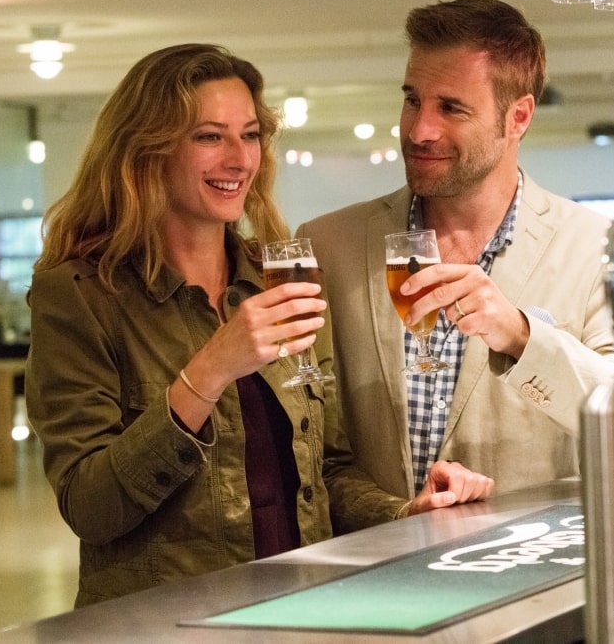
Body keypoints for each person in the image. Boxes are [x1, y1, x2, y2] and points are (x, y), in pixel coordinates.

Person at [25, 44, 492, 607]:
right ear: (148, 150)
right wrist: (210, 370)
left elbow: (329, 472)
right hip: (168, 622)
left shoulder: (278, 279)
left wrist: (405, 511)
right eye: (208, 136)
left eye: (249, 135)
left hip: (300, 609)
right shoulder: (82, 295)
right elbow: (90, 506)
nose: (239, 159)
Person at [297, 0, 614, 500]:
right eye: (413, 99)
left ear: (518, 117)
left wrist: (525, 337)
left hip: (536, 570)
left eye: (450, 107)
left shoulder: (598, 246)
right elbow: (313, 449)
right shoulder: (329, 245)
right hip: (378, 571)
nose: (419, 130)